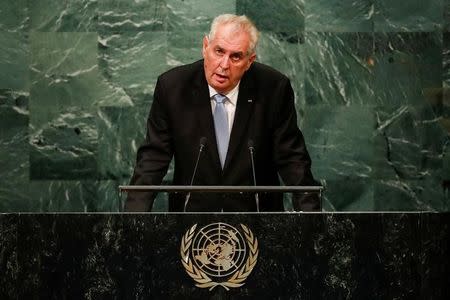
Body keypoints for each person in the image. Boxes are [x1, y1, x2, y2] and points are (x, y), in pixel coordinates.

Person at [125, 14, 319, 212]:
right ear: (205, 46)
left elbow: (293, 160)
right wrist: (131, 221)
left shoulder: (274, 89)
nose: (224, 65)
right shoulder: (173, 87)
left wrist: (312, 222)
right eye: (219, 51)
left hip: (257, 221)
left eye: (236, 56)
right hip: (192, 220)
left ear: (249, 61)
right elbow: (153, 158)